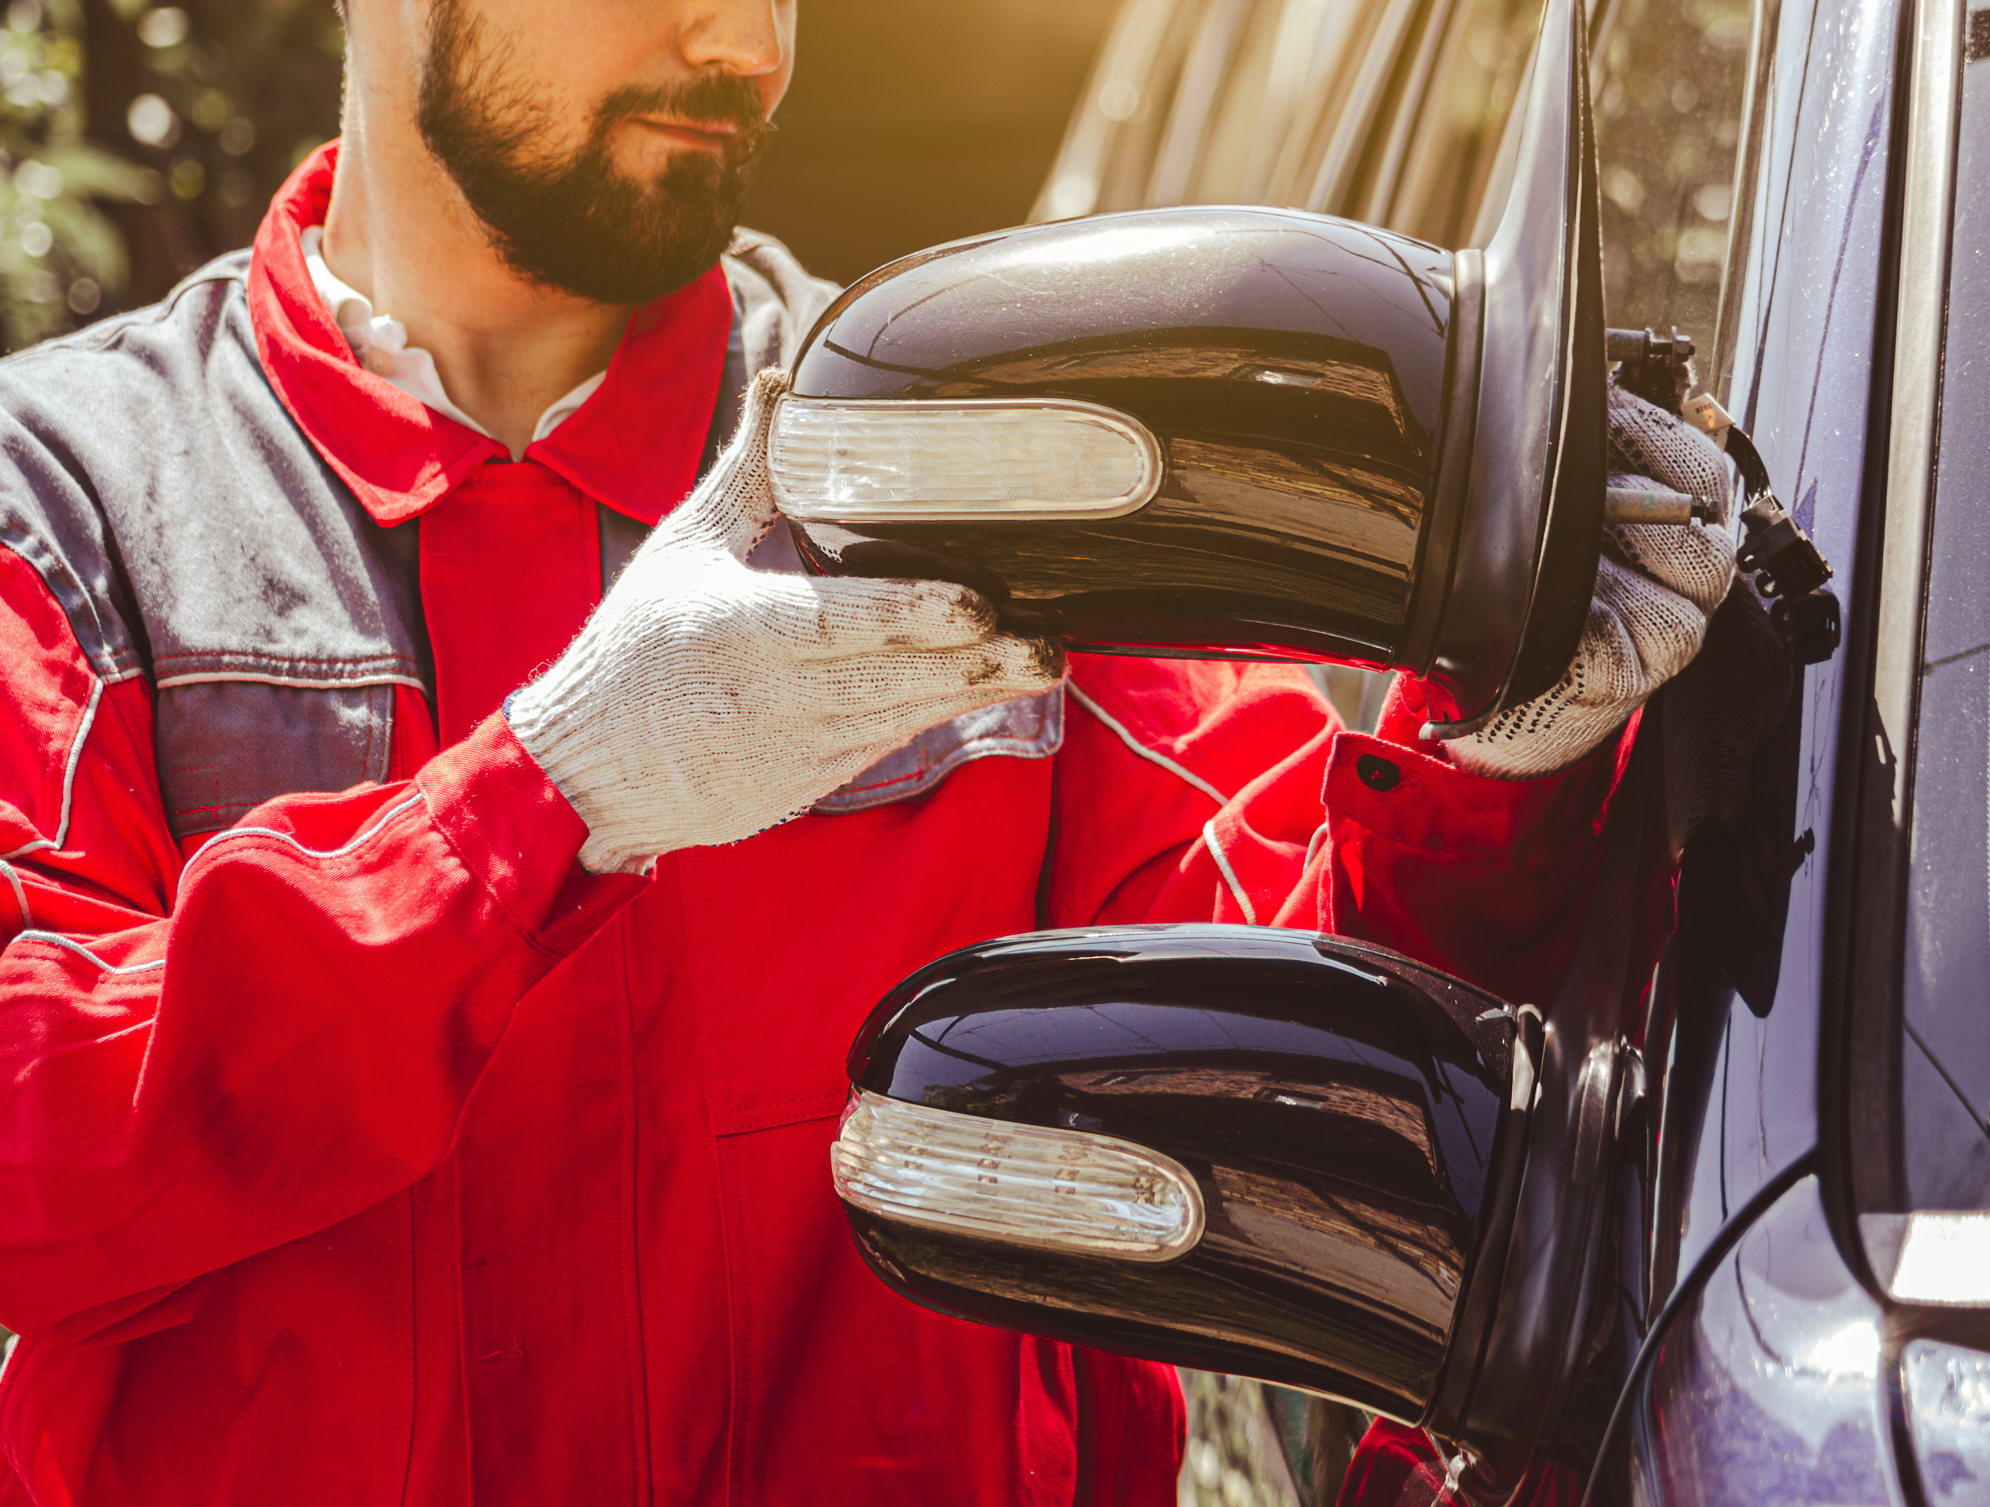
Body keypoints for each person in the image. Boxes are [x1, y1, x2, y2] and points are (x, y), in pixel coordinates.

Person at [0, 0, 1736, 1501]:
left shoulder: (985, 457)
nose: (748, 48)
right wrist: (552, 799)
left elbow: (1320, 1022)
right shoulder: (75, 505)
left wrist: (1497, 751)